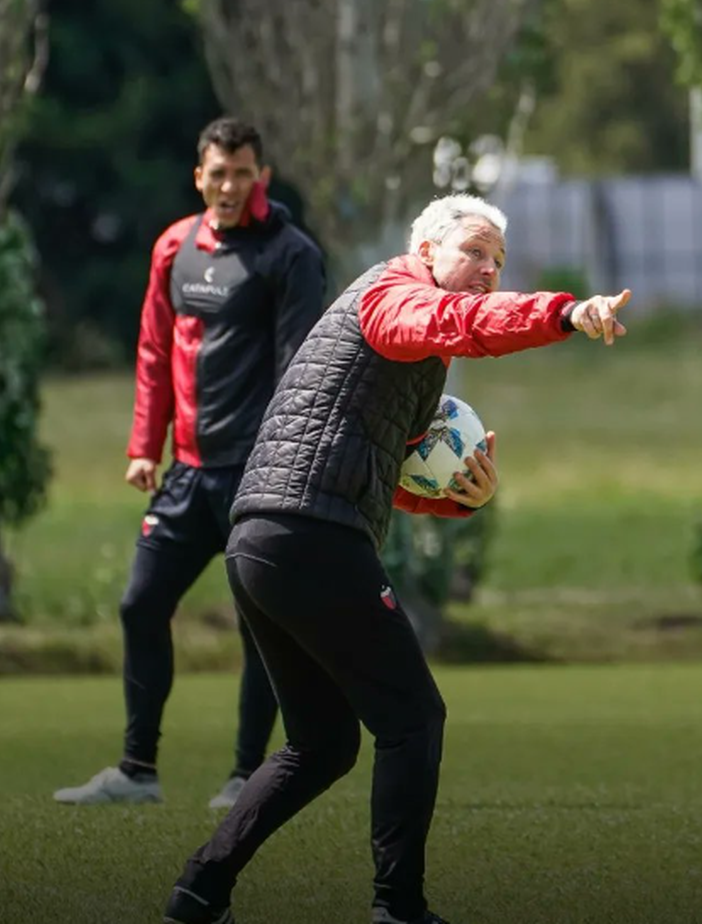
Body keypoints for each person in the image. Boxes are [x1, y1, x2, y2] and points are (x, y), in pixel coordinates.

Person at [161, 193, 630, 924]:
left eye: (498, 262)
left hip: (265, 541)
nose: (486, 270)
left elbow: (389, 475)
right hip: (311, 536)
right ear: (428, 248)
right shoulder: (392, 296)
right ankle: (398, 910)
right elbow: (458, 322)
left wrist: (462, 498)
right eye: (473, 252)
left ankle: (199, 891)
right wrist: (564, 313)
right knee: (414, 719)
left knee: (321, 745)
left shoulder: (415, 342)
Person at [54, 118, 326, 807]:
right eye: (218, 173)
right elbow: (152, 350)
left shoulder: (290, 255)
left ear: (261, 177)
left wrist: (286, 465)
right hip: (185, 474)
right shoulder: (174, 246)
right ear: (197, 175)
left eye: (243, 173)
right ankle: (136, 772)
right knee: (140, 604)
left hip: (253, 478)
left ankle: (244, 777)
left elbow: (299, 369)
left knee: (259, 624)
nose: (230, 186)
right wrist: (145, 446)